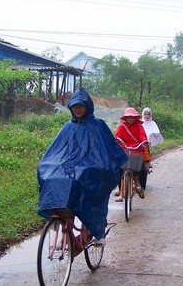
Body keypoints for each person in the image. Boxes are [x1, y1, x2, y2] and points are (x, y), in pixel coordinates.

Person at [37, 87, 127, 246]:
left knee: (88, 184)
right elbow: (55, 151)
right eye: (74, 106)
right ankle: (61, 216)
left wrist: (102, 165)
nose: (77, 109)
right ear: (71, 108)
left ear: (88, 106)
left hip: (93, 166)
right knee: (51, 173)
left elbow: (109, 149)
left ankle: (97, 231)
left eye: (81, 106)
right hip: (70, 165)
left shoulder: (98, 125)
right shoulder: (67, 127)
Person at [114, 107, 150, 199]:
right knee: (118, 169)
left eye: (132, 117)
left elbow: (142, 136)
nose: (130, 119)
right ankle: (120, 188)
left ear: (135, 118)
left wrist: (144, 141)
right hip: (124, 149)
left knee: (141, 167)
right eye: (128, 117)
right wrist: (116, 140)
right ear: (125, 118)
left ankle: (138, 182)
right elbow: (117, 136)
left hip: (136, 150)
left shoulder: (139, 126)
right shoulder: (122, 127)